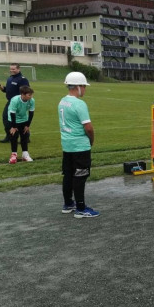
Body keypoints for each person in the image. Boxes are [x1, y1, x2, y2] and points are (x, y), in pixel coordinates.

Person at [59, 72, 99, 218]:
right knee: (80, 176)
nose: (85, 89)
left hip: (67, 145)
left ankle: (68, 204)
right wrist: (92, 140)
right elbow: (88, 127)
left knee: (68, 175)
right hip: (79, 146)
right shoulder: (79, 104)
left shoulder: (62, 101)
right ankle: (81, 208)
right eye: (84, 86)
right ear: (78, 86)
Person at [0, 63, 30, 143]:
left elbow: (26, 91)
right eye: (11, 69)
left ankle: (26, 137)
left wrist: (23, 102)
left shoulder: (22, 79)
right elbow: (8, 90)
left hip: (19, 103)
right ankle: (9, 136)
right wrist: (3, 89)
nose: (11, 70)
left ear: (18, 69)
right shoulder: (10, 78)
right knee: (6, 119)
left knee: (20, 120)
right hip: (10, 102)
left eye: (13, 69)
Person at [7, 85, 35, 164]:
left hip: (24, 119)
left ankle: (25, 154)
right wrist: (13, 126)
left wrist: (27, 125)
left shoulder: (32, 100)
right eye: (29, 95)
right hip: (13, 120)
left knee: (25, 136)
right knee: (14, 136)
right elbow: (12, 113)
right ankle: (14, 155)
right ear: (23, 94)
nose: (31, 96)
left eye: (31, 95)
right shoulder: (15, 100)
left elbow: (31, 113)